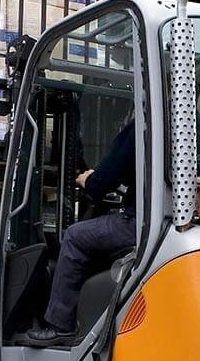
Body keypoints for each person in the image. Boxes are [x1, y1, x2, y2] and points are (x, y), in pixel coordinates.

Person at [26, 118, 138, 346]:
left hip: (139, 224)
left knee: (76, 236)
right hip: (177, 223)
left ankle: (60, 325)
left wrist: (89, 180)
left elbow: (104, 179)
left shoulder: (145, 123)